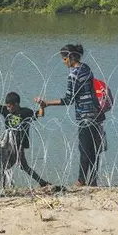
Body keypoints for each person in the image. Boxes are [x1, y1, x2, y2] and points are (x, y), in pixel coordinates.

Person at [35, 44, 105, 187]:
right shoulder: (86, 68)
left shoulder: (73, 74)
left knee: (84, 148)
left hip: (85, 116)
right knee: (93, 149)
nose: (63, 61)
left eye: (65, 58)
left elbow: (69, 99)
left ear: (71, 57)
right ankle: (93, 180)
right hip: (95, 113)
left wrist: (46, 103)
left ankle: (81, 181)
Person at [0, 92, 51, 187]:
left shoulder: (25, 112)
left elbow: (40, 114)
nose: (7, 108)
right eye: (6, 106)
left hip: (19, 143)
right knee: (7, 165)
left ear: (16, 104)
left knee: (20, 165)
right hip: (8, 143)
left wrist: (42, 106)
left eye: (9, 106)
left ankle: (41, 182)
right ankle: (1, 186)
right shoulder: (6, 111)